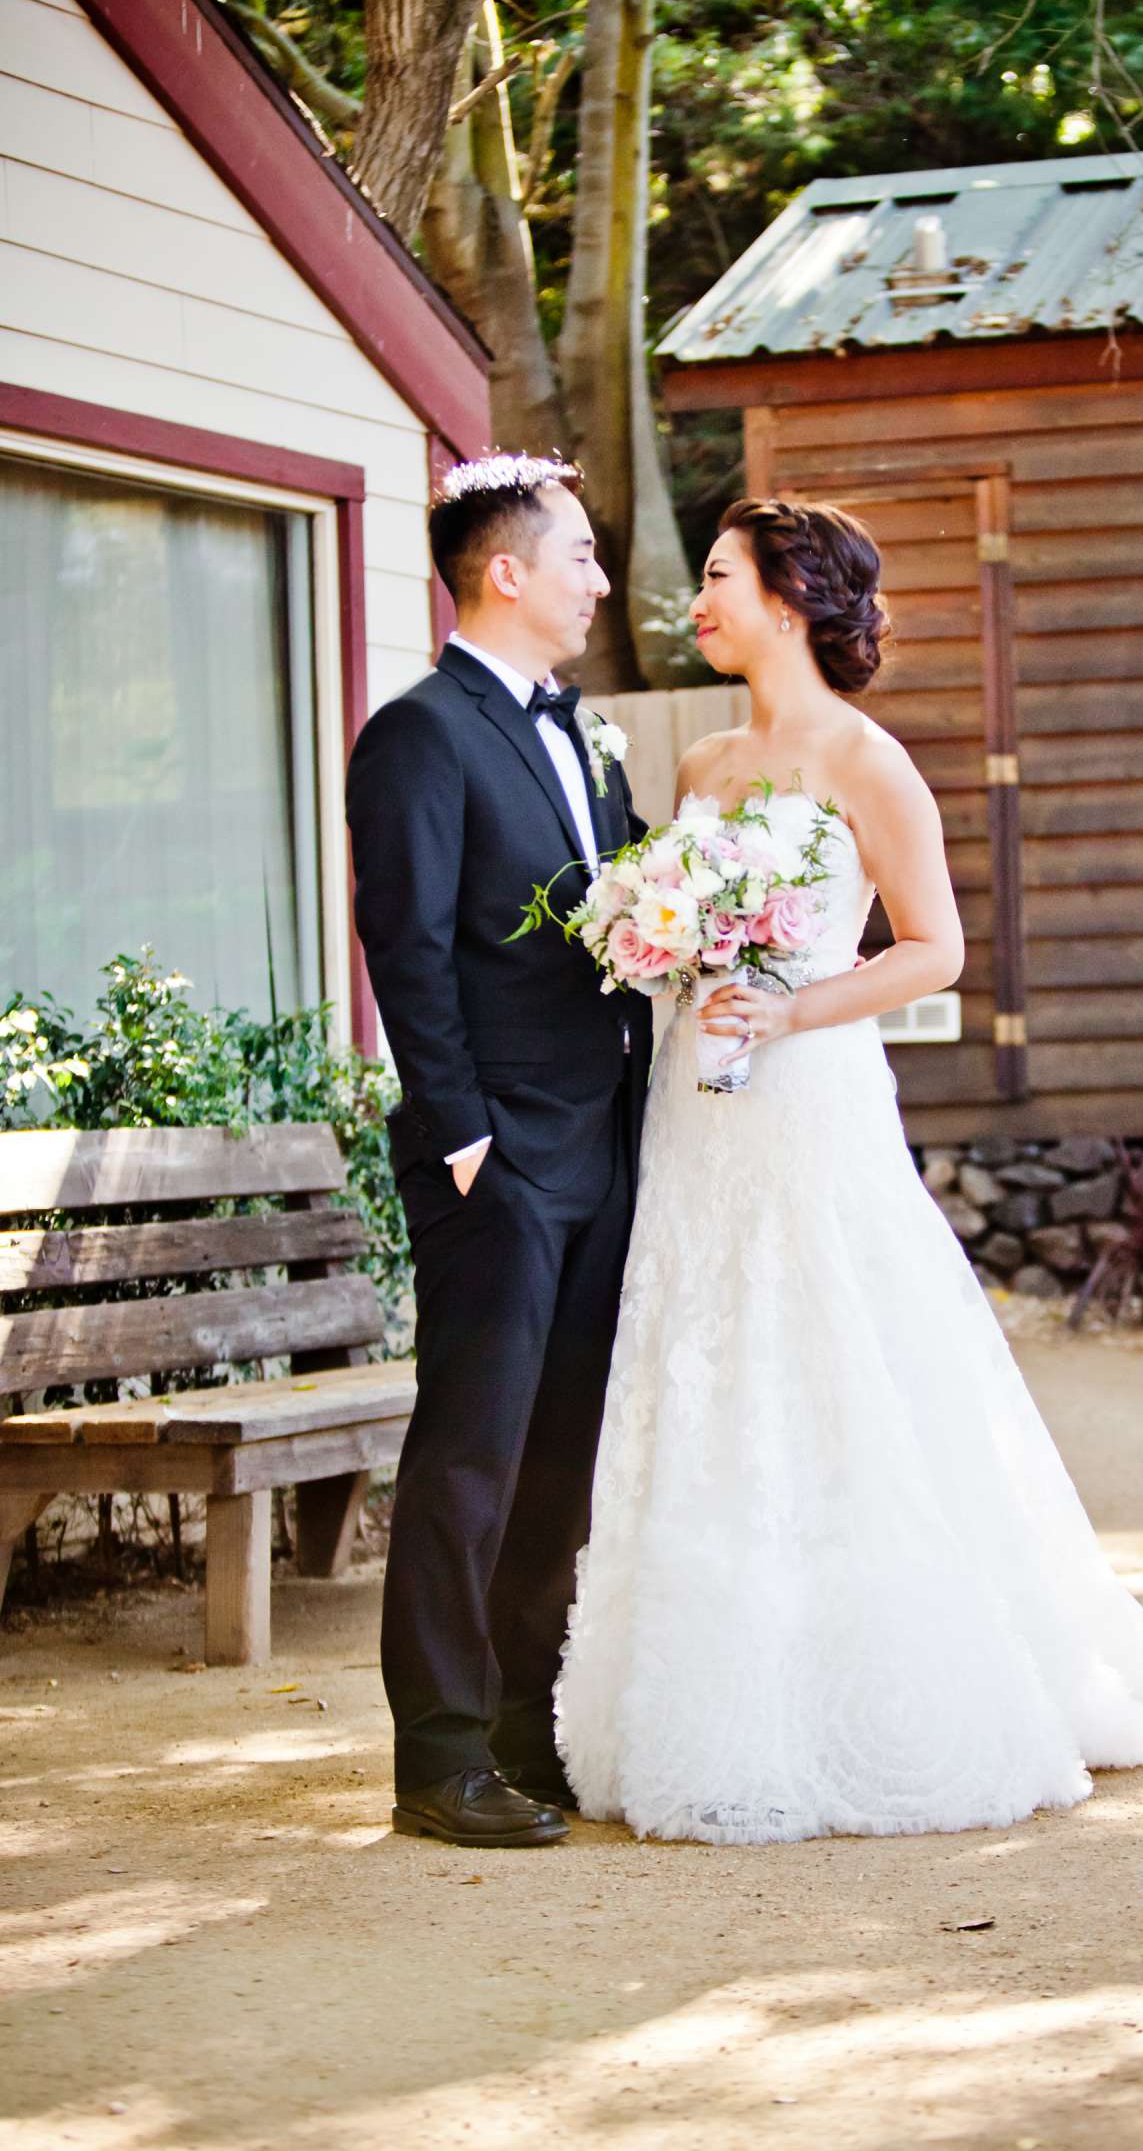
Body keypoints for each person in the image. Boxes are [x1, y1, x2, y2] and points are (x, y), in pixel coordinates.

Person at [555, 496, 1143, 1843]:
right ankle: (711, 1696)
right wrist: (663, 944)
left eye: (717, 577)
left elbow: (935, 949)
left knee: (840, 1354)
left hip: (810, 1101)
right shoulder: (699, 768)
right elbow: (679, 930)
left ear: (793, 598)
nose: (694, 600)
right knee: (708, 1356)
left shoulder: (871, 763)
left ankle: (902, 1687)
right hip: (697, 1111)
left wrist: (795, 1006)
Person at [346, 453, 650, 1849]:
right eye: (580, 555)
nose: (601, 577)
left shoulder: (588, 737)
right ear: (507, 572)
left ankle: (530, 1728)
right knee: (471, 1455)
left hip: (606, 1142)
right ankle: (441, 1756)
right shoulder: (418, 734)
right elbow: (406, 949)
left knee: (561, 1459)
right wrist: (462, 1136)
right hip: (498, 1161)